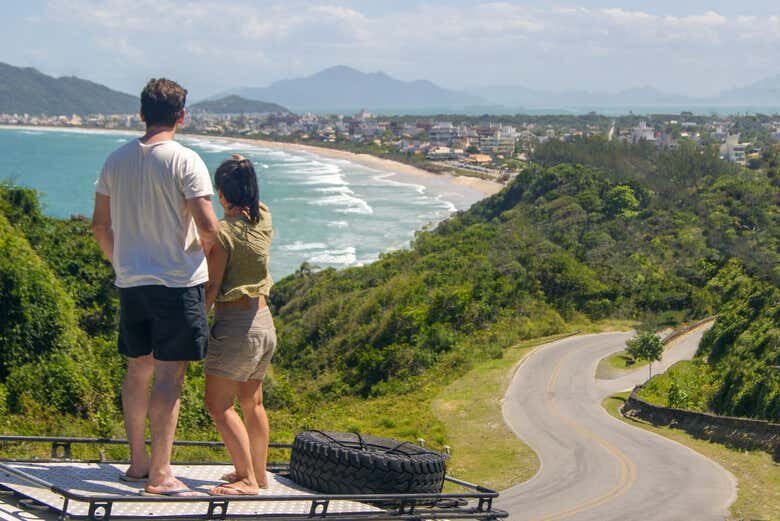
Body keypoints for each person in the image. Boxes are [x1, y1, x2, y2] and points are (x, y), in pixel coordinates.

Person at [91, 78, 220, 497]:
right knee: (169, 376)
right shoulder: (186, 160)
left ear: (141, 113)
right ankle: (162, 474)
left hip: (132, 281)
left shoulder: (115, 160)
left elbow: (99, 226)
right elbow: (208, 227)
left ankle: (137, 464)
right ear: (182, 116)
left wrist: (123, 261)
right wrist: (200, 260)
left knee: (137, 369)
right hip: (176, 281)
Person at [203, 155, 276, 496]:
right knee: (253, 402)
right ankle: (258, 474)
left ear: (221, 193)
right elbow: (254, 200)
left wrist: (197, 321)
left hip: (236, 326)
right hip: (264, 323)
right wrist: (244, 165)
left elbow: (212, 286)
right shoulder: (263, 219)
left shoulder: (223, 233)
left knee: (218, 405)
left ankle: (247, 479)